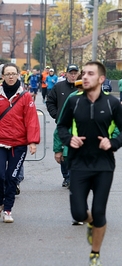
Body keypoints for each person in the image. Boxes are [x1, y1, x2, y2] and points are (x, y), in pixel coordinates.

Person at [57, 61, 122, 266]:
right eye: (84, 73)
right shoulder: (74, 102)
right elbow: (61, 127)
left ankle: (95, 253)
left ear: (101, 79)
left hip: (103, 165)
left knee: (99, 212)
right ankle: (91, 224)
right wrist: (68, 140)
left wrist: (113, 143)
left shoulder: (112, 103)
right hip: (78, 163)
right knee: (79, 213)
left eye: (90, 73)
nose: (85, 77)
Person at [0, 63, 40, 223]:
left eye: (13, 73)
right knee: (0, 175)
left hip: (19, 144)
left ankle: (8, 210)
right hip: (0, 142)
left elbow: (31, 120)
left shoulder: (25, 96)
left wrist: (32, 141)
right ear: (2, 76)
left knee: (12, 177)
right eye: (7, 74)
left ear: (18, 75)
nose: (10, 76)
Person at [46, 64, 80, 188]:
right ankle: (66, 176)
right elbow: (50, 102)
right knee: (63, 153)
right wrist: (57, 115)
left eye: (75, 73)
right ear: (66, 74)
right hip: (63, 124)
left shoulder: (82, 88)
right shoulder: (59, 87)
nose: (73, 75)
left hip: (78, 126)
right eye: (71, 73)